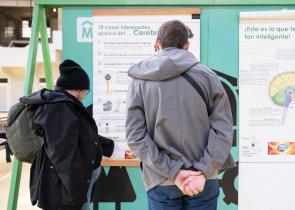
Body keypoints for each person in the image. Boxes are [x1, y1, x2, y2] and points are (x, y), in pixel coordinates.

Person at [126, 20, 235, 210]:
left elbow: (135, 136)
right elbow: (223, 131)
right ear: (187, 45)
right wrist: (202, 171)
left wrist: (173, 172)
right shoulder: (208, 77)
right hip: (203, 179)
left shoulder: (139, 81)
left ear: (157, 44)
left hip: (160, 180)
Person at [22, 59, 114, 210]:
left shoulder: (67, 106)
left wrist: (106, 145)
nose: (86, 94)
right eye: (86, 90)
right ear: (78, 89)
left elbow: (79, 134)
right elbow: (64, 156)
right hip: (69, 191)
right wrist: (75, 195)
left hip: (76, 183)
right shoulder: (60, 108)